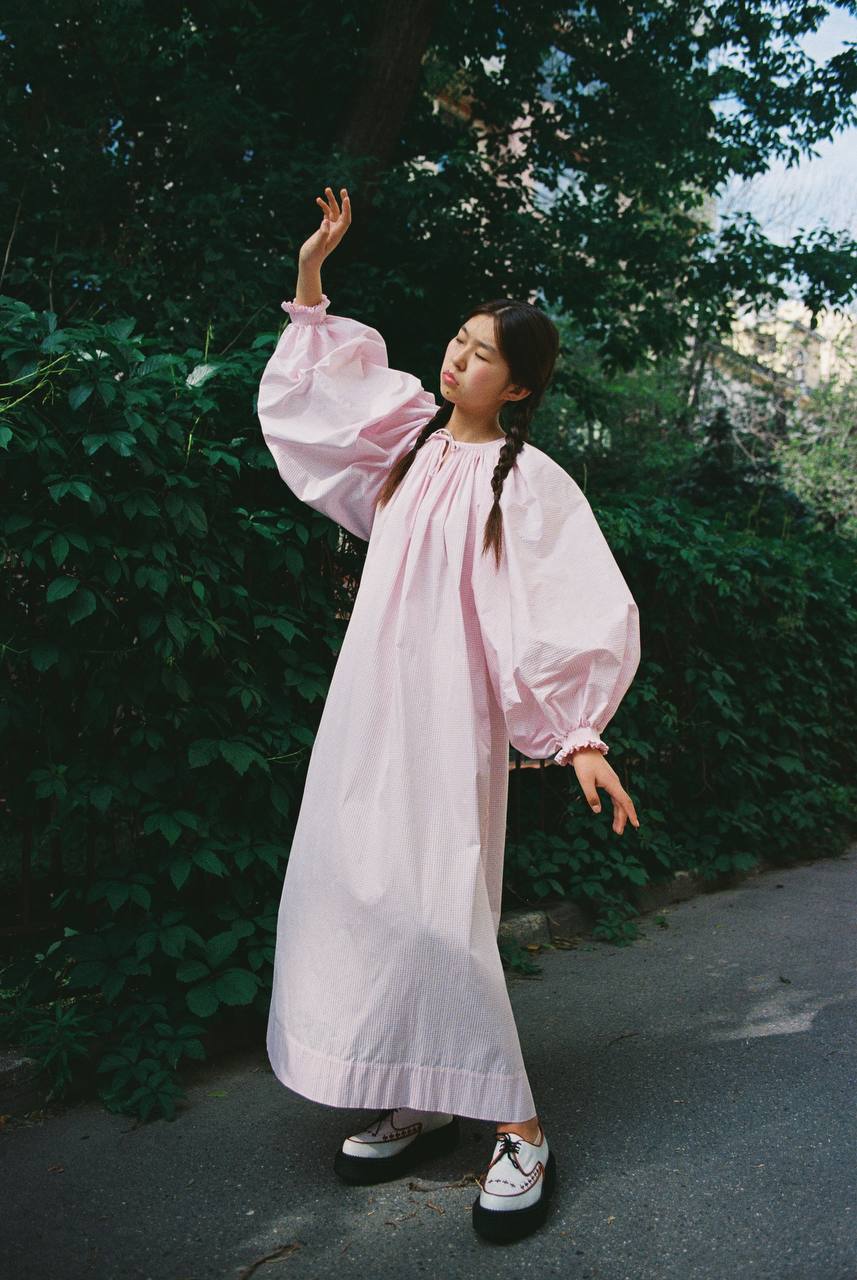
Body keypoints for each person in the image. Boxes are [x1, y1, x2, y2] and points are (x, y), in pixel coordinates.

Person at [256, 185, 642, 1246]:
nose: (458, 359)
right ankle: (417, 1091)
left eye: (481, 355)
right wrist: (312, 270)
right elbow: (315, 397)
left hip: (444, 718)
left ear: (517, 387)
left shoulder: (525, 482)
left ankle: (518, 1125)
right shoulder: (403, 440)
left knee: (433, 904)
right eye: (458, 343)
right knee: (355, 888)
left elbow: (561, 605)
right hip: (366, 707)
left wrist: (578, 734)